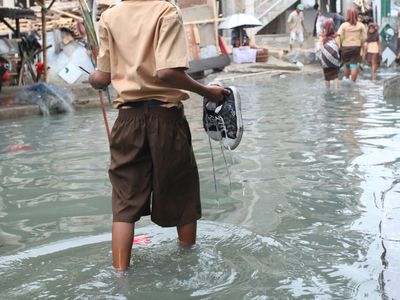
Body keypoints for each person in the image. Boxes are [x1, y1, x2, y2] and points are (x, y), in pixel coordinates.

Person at [89, 0, 229, 272]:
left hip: (126, 120)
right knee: (182, 194)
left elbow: (102, 78)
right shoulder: (166, 10)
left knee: (124, 203)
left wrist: (94, 80)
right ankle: (189, 269)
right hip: (166, 119)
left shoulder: (108, 17)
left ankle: (120, 277)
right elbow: (167, 73)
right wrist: (208, 92)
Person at [337, 7, 367, 82]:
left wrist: (339, 46)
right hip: (356, 47)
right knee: (354, 64)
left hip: (345, 47)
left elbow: (338, 36)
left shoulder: (344, 25)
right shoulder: (360, 25)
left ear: (348, 15)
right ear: (356, 15)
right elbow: (364, 37)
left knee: (346, 64)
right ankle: (353, 82)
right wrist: (360, 43)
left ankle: (347, 79)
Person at [318, 18, 341, 90]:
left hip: (325, 59)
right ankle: (336, 90)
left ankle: (327, 90)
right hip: (334, 58)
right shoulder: (336, 36)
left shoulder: (322, 36)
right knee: (335, 75)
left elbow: (320, 47)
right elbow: (338, 47)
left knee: (327, 76)